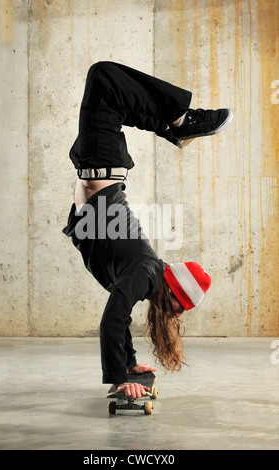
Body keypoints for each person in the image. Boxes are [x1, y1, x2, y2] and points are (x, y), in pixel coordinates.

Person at [63, 62, 233, 398]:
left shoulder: (147, 273)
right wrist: (122, 371)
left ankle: (176, 125)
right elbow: (117, 315)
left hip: (99, 165)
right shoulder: (147, 273)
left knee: (107, 84)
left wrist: (125, 369)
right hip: (101, 164)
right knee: (105, 83)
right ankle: (179, 123)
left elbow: (117, 318)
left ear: (172, 287)